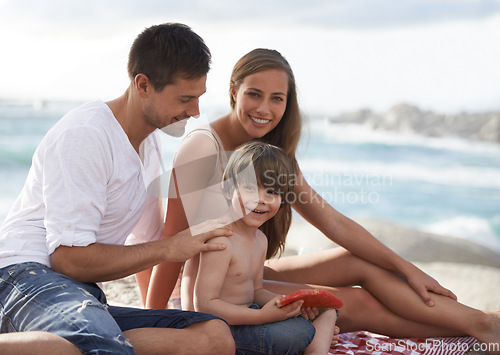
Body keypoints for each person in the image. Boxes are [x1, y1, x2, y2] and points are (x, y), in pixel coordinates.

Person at [144, 47, 500, 348]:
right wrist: (153, 318)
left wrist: (407, 268)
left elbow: (331, 221)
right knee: (354, 300)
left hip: (246, 273)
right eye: (254, 93)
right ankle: (480, 329)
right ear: (234, 90)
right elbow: (172, 240)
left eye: (277, 98)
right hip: (209, 291)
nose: (264, 109)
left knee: (357, 261)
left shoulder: (269, 153)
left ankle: (482, 324)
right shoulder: (203, 147)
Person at [0, 23, 235, 354]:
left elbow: (144, 243)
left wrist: (157, 302)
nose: (195, 112)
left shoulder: (151, 140)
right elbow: (69, 259)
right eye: (185, 98)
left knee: (212, 335)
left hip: (78, 292)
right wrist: (171, 248)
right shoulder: (86, 135)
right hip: (25, 276)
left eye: (198, 98)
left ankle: (56, 346)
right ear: (143, 85)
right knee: (108, 347)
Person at [190, 141, 340, 354]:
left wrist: (287, 305)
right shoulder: (221, 240)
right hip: (225, 328)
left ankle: (313, 347)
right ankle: (312, 343)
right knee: (294, 334)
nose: (259, 199)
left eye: (271, 191)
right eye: (250, 187)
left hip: (252, 316)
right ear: (228, 189)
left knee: (326, 312)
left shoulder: (260, 239)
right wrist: (262, 317)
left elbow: (256, 291)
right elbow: (205, 304)